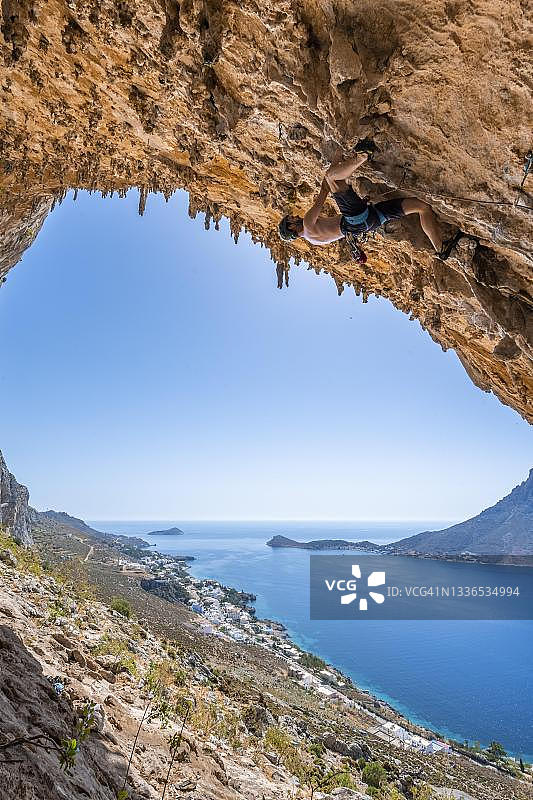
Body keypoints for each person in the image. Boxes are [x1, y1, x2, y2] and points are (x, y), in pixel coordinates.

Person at [278, 151, 458, 261]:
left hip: (368, 223)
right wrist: (335, 160)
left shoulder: (315, 240)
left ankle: (440, 249)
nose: (294, 216)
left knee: (422, 207)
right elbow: (324, 193)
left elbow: (340, 224)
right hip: (355, 219)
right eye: (291, 219)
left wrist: (361, 205)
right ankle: (363, 156)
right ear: (292, 227)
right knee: (331, 177)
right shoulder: (308, 225)